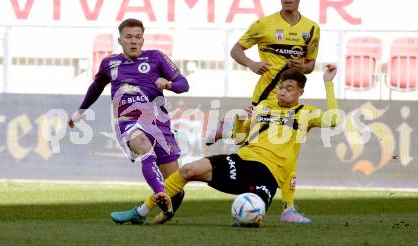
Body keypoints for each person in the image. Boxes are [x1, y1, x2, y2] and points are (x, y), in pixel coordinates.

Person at [121, 64, 339, 225]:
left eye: (289, 88)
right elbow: (240, 139)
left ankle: (248, 216)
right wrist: (240, 123)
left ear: (300, 92)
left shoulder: (306, 113)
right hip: (242, 160)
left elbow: (333, 120)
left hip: (269, 175)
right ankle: (141, 211)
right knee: (187, 170)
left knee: (250, 219)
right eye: (281, 87)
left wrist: (328, 83)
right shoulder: (263, 107)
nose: (282, 91)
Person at [67, 18, 189, 224]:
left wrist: (167, 84)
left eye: (138, 37)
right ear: (120, 40)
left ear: (143, 39)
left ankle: (162, 205)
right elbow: (96, 86)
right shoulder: (110, 63)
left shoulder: (156, 58)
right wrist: (81, 111)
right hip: (129, 120)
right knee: (142, 145)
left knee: (175, 185)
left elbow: (183, 84)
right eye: (129, 37)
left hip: (159, 123)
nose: (134, 41)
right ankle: (159, 192)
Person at [228, 0, 321, 223]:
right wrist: (251, 64)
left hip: (289, 99)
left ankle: (288, 209)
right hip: (265, 98)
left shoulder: (311, 29)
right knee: (250, 149)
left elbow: (311, 64)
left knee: (289, 152)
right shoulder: (263, 24)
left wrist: (302, 67)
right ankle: (252, 201)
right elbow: (236, 50)